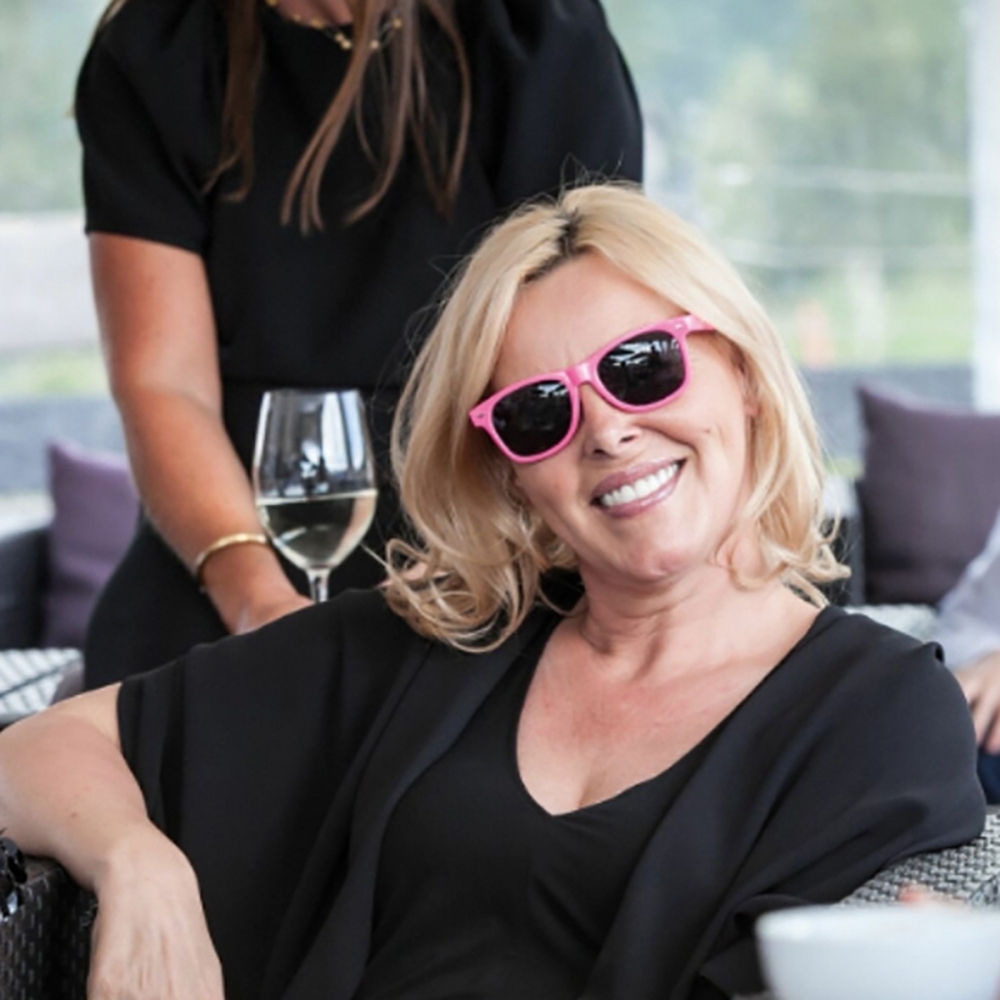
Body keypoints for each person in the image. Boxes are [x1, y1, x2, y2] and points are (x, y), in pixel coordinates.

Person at [0, 184, 984, 1000]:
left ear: (745, 375)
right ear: (511, 472)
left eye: (642, 367)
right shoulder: (430, 642)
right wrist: (137, 863)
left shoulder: (877, 707)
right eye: (538, 411)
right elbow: (33, 751)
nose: (606, 431)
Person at [75, 0, 643, 688]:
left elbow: (585, 345)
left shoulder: (537, 29)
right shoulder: (158, 45)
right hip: (227, 538)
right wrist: (255, 597)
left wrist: (474, 559)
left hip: (493, 536)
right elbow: (163, 382)